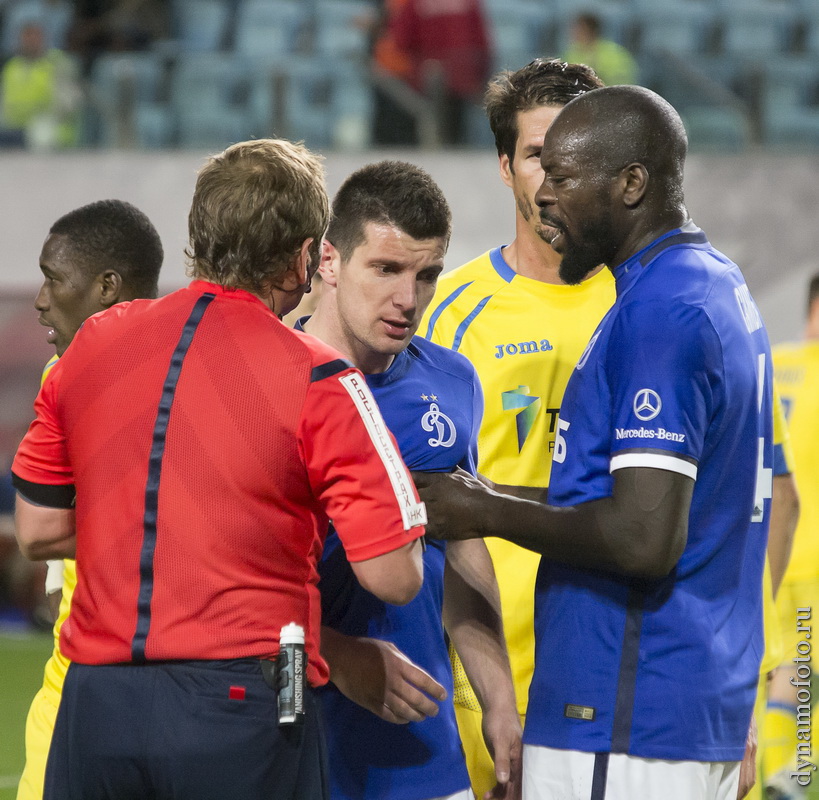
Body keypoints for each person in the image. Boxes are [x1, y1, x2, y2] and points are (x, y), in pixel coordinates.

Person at [12, 138, 426, 800]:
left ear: (197, 234)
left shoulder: (94, 344)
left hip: (95, 703)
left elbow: (37, 529)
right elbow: (394, 575)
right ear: (302, 259)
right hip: (241, 701)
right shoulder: (319, 376)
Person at [414, 85, 774, 800]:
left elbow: (643, 536)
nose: (545, 195)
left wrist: (484, 512)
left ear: (632, 183)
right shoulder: (710, 284)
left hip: (626, 709)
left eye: (566, 176)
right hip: (681, 704)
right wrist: (485, 494)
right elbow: (637, 502)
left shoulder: (658, 313)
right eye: (538, 169)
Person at [297, 160, 521, 800]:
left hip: (421, 747)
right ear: (330, 262)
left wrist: (498, 698)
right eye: (386, 269)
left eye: (427, 276)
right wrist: (341, 658)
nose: (408, 299)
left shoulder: (452, 384)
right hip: (294, 740)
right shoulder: (269, 377)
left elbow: (460, 541)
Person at [421, 58, 613, 799]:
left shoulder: (649, 301)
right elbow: (428, 508)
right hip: (491, 674)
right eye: (537, 155)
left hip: (623, 675)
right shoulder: (446, 313)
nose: (556, 176)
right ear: (505, 167)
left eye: (573, 155)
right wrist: (494, 692)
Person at [15, 198, 164, 800]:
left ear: (107, 287)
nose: (40, 298)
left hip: (116, 675)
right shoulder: (64, 374)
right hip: (93, 667)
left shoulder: (77, 375)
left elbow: (39, 531)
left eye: (54, 279)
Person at [766, 273, 819, 799]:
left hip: (769, 559)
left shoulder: (771, 365)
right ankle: (793, 783)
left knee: (778, 678)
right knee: (805, 691)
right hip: (815, 570)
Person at [0, 20, 80, 149]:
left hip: (48, 128)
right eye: (27, 36)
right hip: (14, 130)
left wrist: (46, 116)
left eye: (36, 35)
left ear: (45, 38)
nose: (31, 40)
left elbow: (71, 103)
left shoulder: (57, 63)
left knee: (42, 135)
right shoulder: (11, 66)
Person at [562, 12, 637, 87]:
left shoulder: (614, 54)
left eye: (579, 29)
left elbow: (622, 83)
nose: (574, 32)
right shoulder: (571, 54)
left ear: (591, 30)